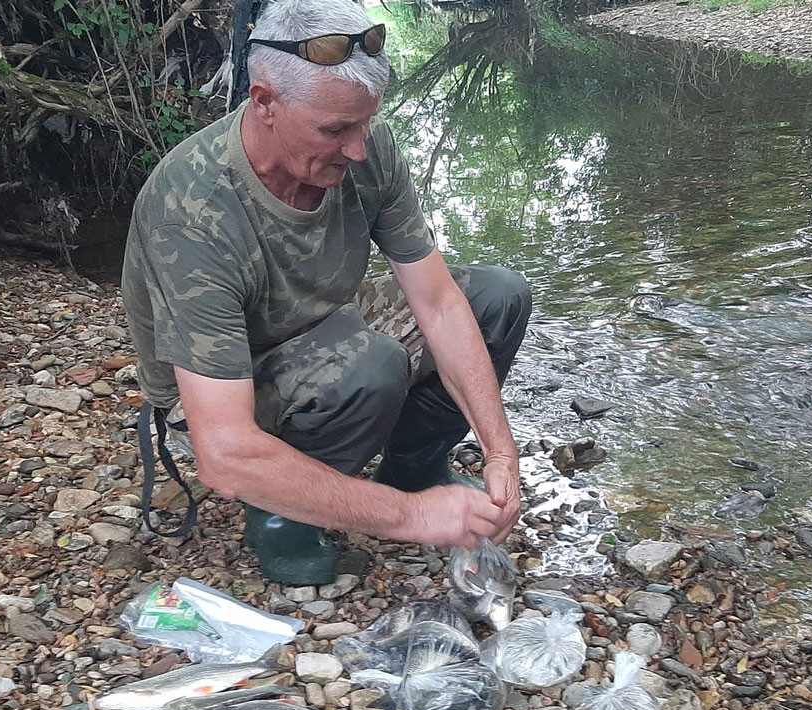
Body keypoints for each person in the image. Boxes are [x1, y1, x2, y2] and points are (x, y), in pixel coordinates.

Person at [120, 0, 532, 585]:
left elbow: (438, 304)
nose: (359, 148)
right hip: (218, 384)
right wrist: (409, 520)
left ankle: (415, 468)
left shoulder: (367, 149)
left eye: (365, 123)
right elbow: (224, 450)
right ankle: (281, 518)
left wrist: (500, 452)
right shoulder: (192, 212)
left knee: (497, 294)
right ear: (264, 102)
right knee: (372, 363)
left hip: (326, 319)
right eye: (336, 130)